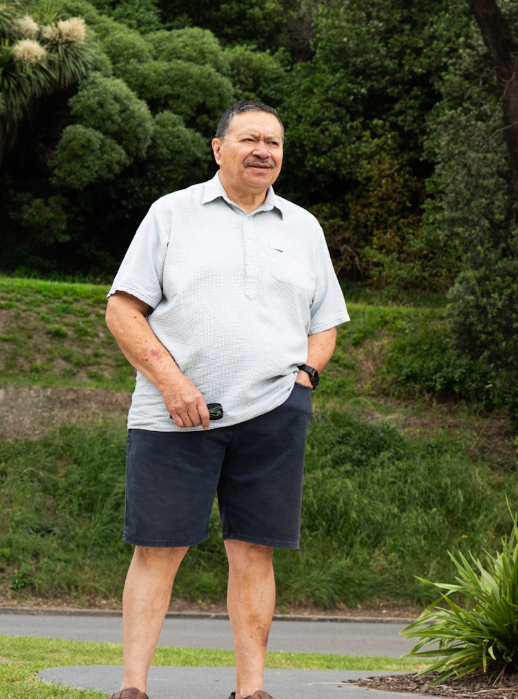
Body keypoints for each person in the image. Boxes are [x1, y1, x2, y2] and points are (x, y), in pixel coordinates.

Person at [103, 100, 349, 699]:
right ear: (219, 149)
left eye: (274, 142)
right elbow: (122, 309)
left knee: (255, 552)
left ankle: (252, 689)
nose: (264, 150)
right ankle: (133, 687)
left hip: (274, 416)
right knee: (157, 550)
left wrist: (305, 381)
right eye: (249, 139)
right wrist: (171, 382)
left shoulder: (305, 227)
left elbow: (327, 322)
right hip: (172, 417)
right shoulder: (171, 214)